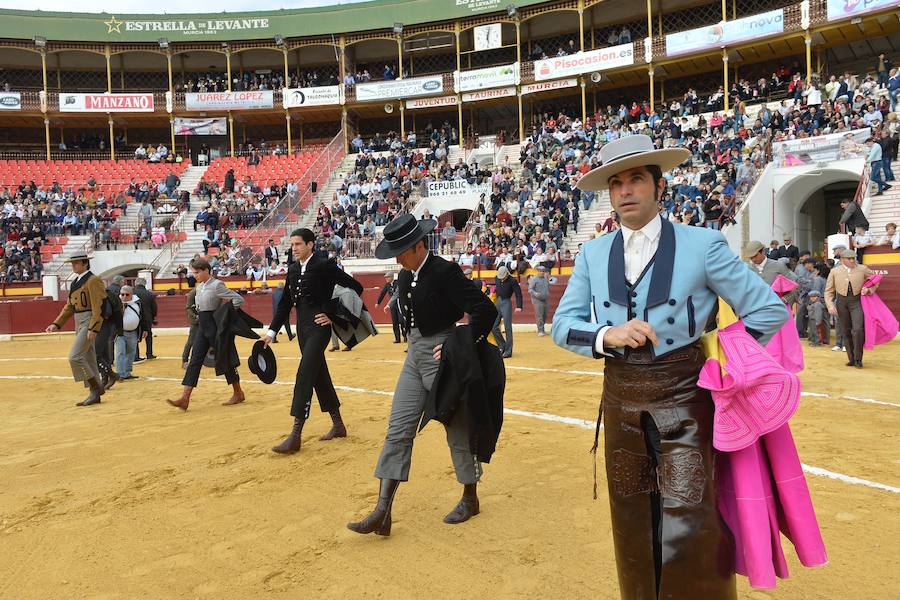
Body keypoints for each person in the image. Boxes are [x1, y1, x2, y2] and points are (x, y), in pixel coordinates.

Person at [551, 135, 787, 599]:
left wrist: (723, 364)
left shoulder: (703, 245)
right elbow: (563, 326)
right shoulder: (593, 254)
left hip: (687, 400)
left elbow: (767, 310)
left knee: (690, 519)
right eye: (616, 183)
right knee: (632, 518)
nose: (625, 191)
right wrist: (605, 335)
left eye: (636, 178)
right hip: (621, 402)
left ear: (659, 187)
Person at [347, 214, 498, 536]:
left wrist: (460, 345)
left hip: (442, 356)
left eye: (400, 251)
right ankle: (382, 511)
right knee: (398, 426)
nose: (397, 257)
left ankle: (470, 497)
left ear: (418, 246)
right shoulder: (405, 276)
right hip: (414, 356)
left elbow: (486, 309)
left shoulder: (444, 271)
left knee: (455, 426)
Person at [262, 228, 364, 454]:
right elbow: (285, 304)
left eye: (298, 244)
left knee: (305, 373)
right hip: (303, 329)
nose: (294, 248)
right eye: (292, 245)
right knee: (319, 375)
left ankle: (296, 434)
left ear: (310, 244)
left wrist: (332, 313)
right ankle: (338, 425)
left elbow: (356, 287)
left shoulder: (324, 265)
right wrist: (271, 333)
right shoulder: (293, 269)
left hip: (319, 328)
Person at [167, 258, 247, 410]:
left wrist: (223, 315)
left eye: (197, 272)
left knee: (224, 358)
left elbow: (238, 300)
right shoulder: (200, 287)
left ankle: (238, 392)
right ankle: (185, 398)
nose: (194, 275)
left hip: (215, 326)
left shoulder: (217, 285)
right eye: (193, 272)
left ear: (206, 270)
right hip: (203, 326)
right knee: (195, 360)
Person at [45, 253, 110, 407]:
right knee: (88, 357)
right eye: (72, 263)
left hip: (88, 320)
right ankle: (95, 393)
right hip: (79, 320)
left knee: (75, 356)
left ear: (85, 264)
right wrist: (57, 323)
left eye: (76, 263)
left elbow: (98, 306)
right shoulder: (76, 281)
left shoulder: (93, 280)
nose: (73, 266)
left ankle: (96, 388)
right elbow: (69, 306)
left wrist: (94, 327)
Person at [824, 249, 876, 368]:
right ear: (842, 260)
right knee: (846, 331)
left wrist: (869, 289)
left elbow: (875, 280)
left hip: (857, 301)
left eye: (853, 258)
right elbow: (828, 291)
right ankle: (851, 358)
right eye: (849, 258)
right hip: (841, 303)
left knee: (857, 329)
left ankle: (858, 358)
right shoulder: (834, 271)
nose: (852, 260)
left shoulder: (862, 269)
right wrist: (830, 305)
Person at [743, 240, 799, 305]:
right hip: (755, 309)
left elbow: (795, 287)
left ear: (763, 251)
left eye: (755, 256)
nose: (753, 259)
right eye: (751, 257)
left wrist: (785, 299)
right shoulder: (747, 269)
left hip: (776, 310)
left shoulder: (778, 266)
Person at [116, 285, 150, 380]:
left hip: (133, 332)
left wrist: (145, 329)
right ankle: (120, 373)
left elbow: (143, 317)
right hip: (120, 332)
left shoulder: (138, 303)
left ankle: (127, 372)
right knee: (121, 352)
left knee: (131, 352)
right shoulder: (116, 303)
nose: (124, 297)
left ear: (131, 294)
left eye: (127, 294)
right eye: (122, 294)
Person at [492, 265, 523, 358]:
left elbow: (518, 294)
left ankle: (508, 351)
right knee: (493, 326)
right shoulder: (496, 278)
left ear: (507, 274)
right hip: (498, 302)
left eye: (503, 277)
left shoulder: (512, 281)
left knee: (507, 327)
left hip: (506, 302)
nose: (501, 279)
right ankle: (502, 346)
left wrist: (519, 306)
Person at [377, 272, 406, 344]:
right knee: (395, 321)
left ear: (392, 277)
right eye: (386, 277)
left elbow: (397, 294)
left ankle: (405, 335)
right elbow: (382, 293)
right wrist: (378, 302)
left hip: (399, 304)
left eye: (388, 277)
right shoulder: (387, 285)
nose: (386, 279)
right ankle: (397, 338)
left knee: (401, 320)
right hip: (392, 305)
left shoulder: (397, 283)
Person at [133, 279, 158, 362]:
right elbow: (154, 308)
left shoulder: (132, 292)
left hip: (135, 317)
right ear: (145, 284)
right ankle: (149, 353)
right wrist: (153, 317)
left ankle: (136, 355)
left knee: (135, 335)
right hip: (147, 318)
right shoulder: (149, 294)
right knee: (148, 335)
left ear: (135, 283)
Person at [528, 266, 550, 336]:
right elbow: (530, 289)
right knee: (539, 315)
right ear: (538, 271)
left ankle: (542, 329)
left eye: (543, 271)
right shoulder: (534, 279)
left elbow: (553, 282)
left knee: (544, 315)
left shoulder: (546, 279)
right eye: (540, 271)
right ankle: (540, 330)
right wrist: (535, 293)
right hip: (537, 299)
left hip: (545, 299)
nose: (542, 272)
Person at [181, 288, 199, 369]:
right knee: (191, 341)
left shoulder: (207, 291)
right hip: (195, 321)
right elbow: (188, 308)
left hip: (205, 319)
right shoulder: (193, 293)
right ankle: (184, 361)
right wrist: (195, 316)